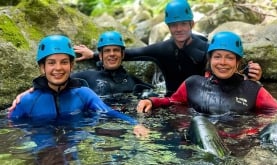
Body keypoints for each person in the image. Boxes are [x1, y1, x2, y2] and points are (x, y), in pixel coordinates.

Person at [135, 31, 277, 156]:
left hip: (241, 146)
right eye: (217, 57)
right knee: (200, 122)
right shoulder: (193, 83)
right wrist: (152, 101)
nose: (222, 62)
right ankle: (220, 163)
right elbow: (172, 101)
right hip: (205, 144)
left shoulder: (252, 89)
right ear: (210, 60)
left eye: (229, 58)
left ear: (237, 62)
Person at [74, 0, 262, 97]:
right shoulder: (161, 49)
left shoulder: (207, 49)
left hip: (201, 101)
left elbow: (231, 68)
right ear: (168, 26)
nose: (178, 29)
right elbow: (128, 54)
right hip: (171, 101)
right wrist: (94, 54)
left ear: (192, 24)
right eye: (174, 25)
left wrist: (252, 74)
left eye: (183, 24)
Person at [8, 34, 148, 137]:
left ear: (71, 66)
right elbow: (10, 128)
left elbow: (109, 112)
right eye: (51, 63)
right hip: (43, 151)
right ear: (42, 68)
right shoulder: (27, 102)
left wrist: (135, 124)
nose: (58, 68)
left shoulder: (84, 94)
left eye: (64, 62)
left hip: (73, 152)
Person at [71, 31, 154, 98]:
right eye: (107, 51)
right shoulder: (86, 78)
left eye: (116, 50)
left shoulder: (134, 82)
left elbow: (156, 94)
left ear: (123, 55)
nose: (112, 54)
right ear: (100, 55)